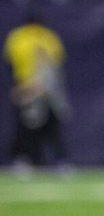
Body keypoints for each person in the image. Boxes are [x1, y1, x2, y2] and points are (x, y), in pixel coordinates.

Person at [3, 13, 69, 169]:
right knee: (35, 127)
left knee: (34, 127)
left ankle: (30, 161)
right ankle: (55, 161)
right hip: (41, 89)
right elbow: (57, 67)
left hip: (31, 88)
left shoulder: (17, 37)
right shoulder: (49, 37)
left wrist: (21, 88)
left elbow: (11, 65)